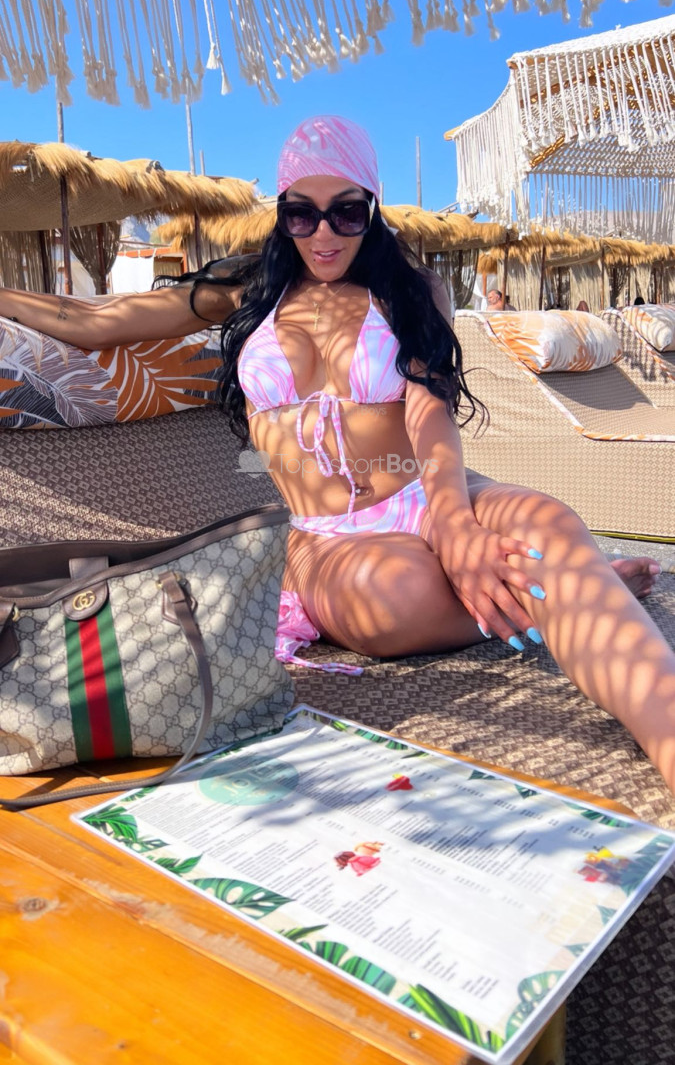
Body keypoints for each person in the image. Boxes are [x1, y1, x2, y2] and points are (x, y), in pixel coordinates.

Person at [1, 115, 672, 793]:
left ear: (371, 208)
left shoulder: (411, 290)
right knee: (396, 596)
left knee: (550, 521)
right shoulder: (247, 291)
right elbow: (92, 323)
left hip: (421, 490)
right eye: (301, 213)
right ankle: (566, 594)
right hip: (317, 532)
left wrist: (454, 523)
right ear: (282, 215)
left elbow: (428, 410)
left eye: (345, 213)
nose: (323, 234)